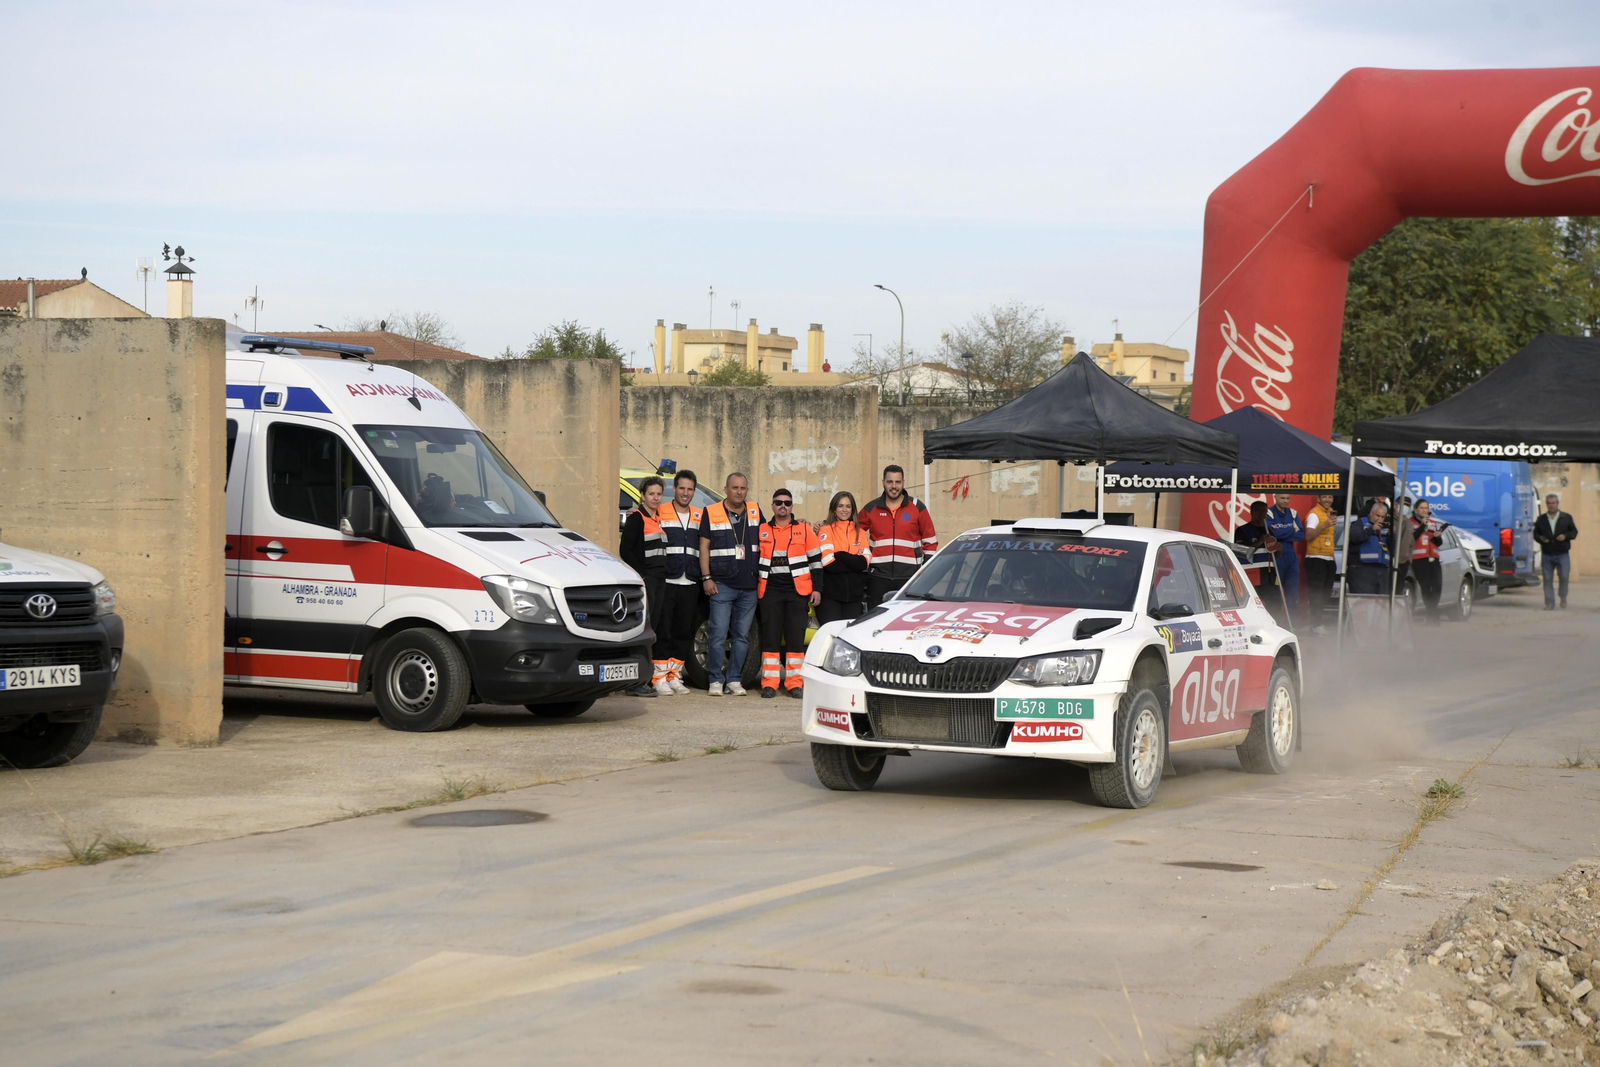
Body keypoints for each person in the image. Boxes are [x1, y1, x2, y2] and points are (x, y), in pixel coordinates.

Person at [698, 473, 762, 696]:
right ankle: (716, 680)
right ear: (725, 489)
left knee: (741, 636)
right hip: (721, 585)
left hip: (749, 585)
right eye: (734, 488)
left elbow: (771, 534)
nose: (739, 492)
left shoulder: (755, 510)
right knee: (717, 634)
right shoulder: (711, 512)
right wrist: (706, 577)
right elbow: (704, 547)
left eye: (743, 488)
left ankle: (734, 680)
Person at [757, 490, 822, 698]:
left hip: (797, 591)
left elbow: (816, 561)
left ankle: (795, 684)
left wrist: (817, 588)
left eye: (787, 502)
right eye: (778, 502)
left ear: (792, 506)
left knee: (795, 640)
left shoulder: (804, 529)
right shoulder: (762, 530)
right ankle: (769, 684)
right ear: (772, 506)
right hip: (770, 591)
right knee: (770, 638)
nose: (782, 506)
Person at [861, 465, 937, 608]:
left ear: (903, 482)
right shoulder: (871, 508)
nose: (894, 486)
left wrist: (925, 571)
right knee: (877, 619)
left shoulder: (917, 507)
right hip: (878, 577)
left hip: (910, 578)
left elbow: (930, 540)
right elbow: (850, 530)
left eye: (898, 482)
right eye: (890, 482)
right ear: (883, 482)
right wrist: (824, 524)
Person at [656, 470, 704, 694]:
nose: (685, 493)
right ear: (674, 489)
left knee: (683, 631)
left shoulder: (700, 515)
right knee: (664, 630)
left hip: (690, 582)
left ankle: (674, 675)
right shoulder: (661, 511)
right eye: (682, 488)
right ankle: (659, 677)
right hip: (667, 580)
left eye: (690, 489)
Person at [618, 477, 667, 698]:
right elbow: (626, 550)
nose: (655, 498)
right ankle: (635, 682)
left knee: (652, 629)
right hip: (648, 580)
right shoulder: (637, 518)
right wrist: (643, 575)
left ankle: (644, 679)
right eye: (651, 494)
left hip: (660, 580)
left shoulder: (658, 518)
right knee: (642, 630)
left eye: (658, 494)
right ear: (643, 496)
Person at [817, 491, 870, 624]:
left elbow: (864, 562)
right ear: (834, 509)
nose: (844, 510)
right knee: (831, 634)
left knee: (849, 634)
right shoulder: (825, 530)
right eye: (840, 506)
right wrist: (853, 560)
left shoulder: (860, 533)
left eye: (848, 506)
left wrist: (840, 555)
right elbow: (828, 562)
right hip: (830, 597)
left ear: (852, 510)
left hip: (854, 597)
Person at [1535, 492, 1579, 610]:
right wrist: (1541, 538)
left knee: (1564, 576)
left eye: (1553, 503)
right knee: (1547, 579)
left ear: (1557, 503)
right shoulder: (1541, 519)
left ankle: (1563, 596)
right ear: (1546, 504)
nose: (1551, 505)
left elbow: (1574, 532)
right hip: (1547, 554)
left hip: (1562, 554)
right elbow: (1536, 534)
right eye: (1549, 503)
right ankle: (1549, 603)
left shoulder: (1566, 517)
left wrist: (1565, 536)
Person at [1303, 492, 1338, 633]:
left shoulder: (1330, 513)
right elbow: (1309, 536)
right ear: (1318, 499)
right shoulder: (1314, 514)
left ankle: (1318, 623)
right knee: (1316, 594)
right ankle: (1315, 624)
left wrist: (1332, 557)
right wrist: (1324, 525)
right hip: (1316, 558)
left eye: (1330, 496)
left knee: (1325, 593)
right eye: (1324, 497)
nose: (1327, 499)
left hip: (1328, 558)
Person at [1264, 493, 1305, 614]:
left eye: (1288, 498)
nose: (1285, 501)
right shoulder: (1269, 513)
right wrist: (1291, 529)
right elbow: (1272, 534)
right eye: (1282, 498)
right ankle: (1275, 622)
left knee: (1293, 595)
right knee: (1275, 596)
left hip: (1291, 558)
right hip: (1276, 557)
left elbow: (1301, 535)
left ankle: (1293, 624)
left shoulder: (1293, 513)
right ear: (1275, 497)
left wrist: (1281, 532)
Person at [1409, 499, 1444, 624]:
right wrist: (1422, 526)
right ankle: (1432, 616)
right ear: (1416, 509)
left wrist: (1438, 537)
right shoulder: (1410, 522)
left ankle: (1431, 614)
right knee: (1426, 587)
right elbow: (1412, 539)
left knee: (1437, 586)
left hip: (1433, 558)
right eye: (1421, 508)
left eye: (1426, 508)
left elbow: (1437, 543)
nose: (1424, 510)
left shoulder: (1433, 523)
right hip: (1419, 559)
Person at [1347, 500, 1392, 595]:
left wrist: (1391, 535)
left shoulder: (1385, 527)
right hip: (1363, 567)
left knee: (1381, 600)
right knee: (1364, 599)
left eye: (1382, 517)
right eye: (1377, 515)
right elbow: (1354, 537)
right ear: (1371, 513)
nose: (1380, 519)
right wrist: (1371, 529)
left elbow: (1393, 548)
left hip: (1382, 568)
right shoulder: (1361, 522)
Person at [1233, 502, 1280, 591]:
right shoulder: (1242, 530)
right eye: (1258, 510)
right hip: (1252, 575)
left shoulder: (1270, 531)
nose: (1261, 513)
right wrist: (1260, 541)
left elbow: (1275, 556)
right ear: (1251, 512)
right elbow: (1240, 552)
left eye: (1264, 511)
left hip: (1270, 576)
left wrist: (1278, 549)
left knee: (1275, 599)